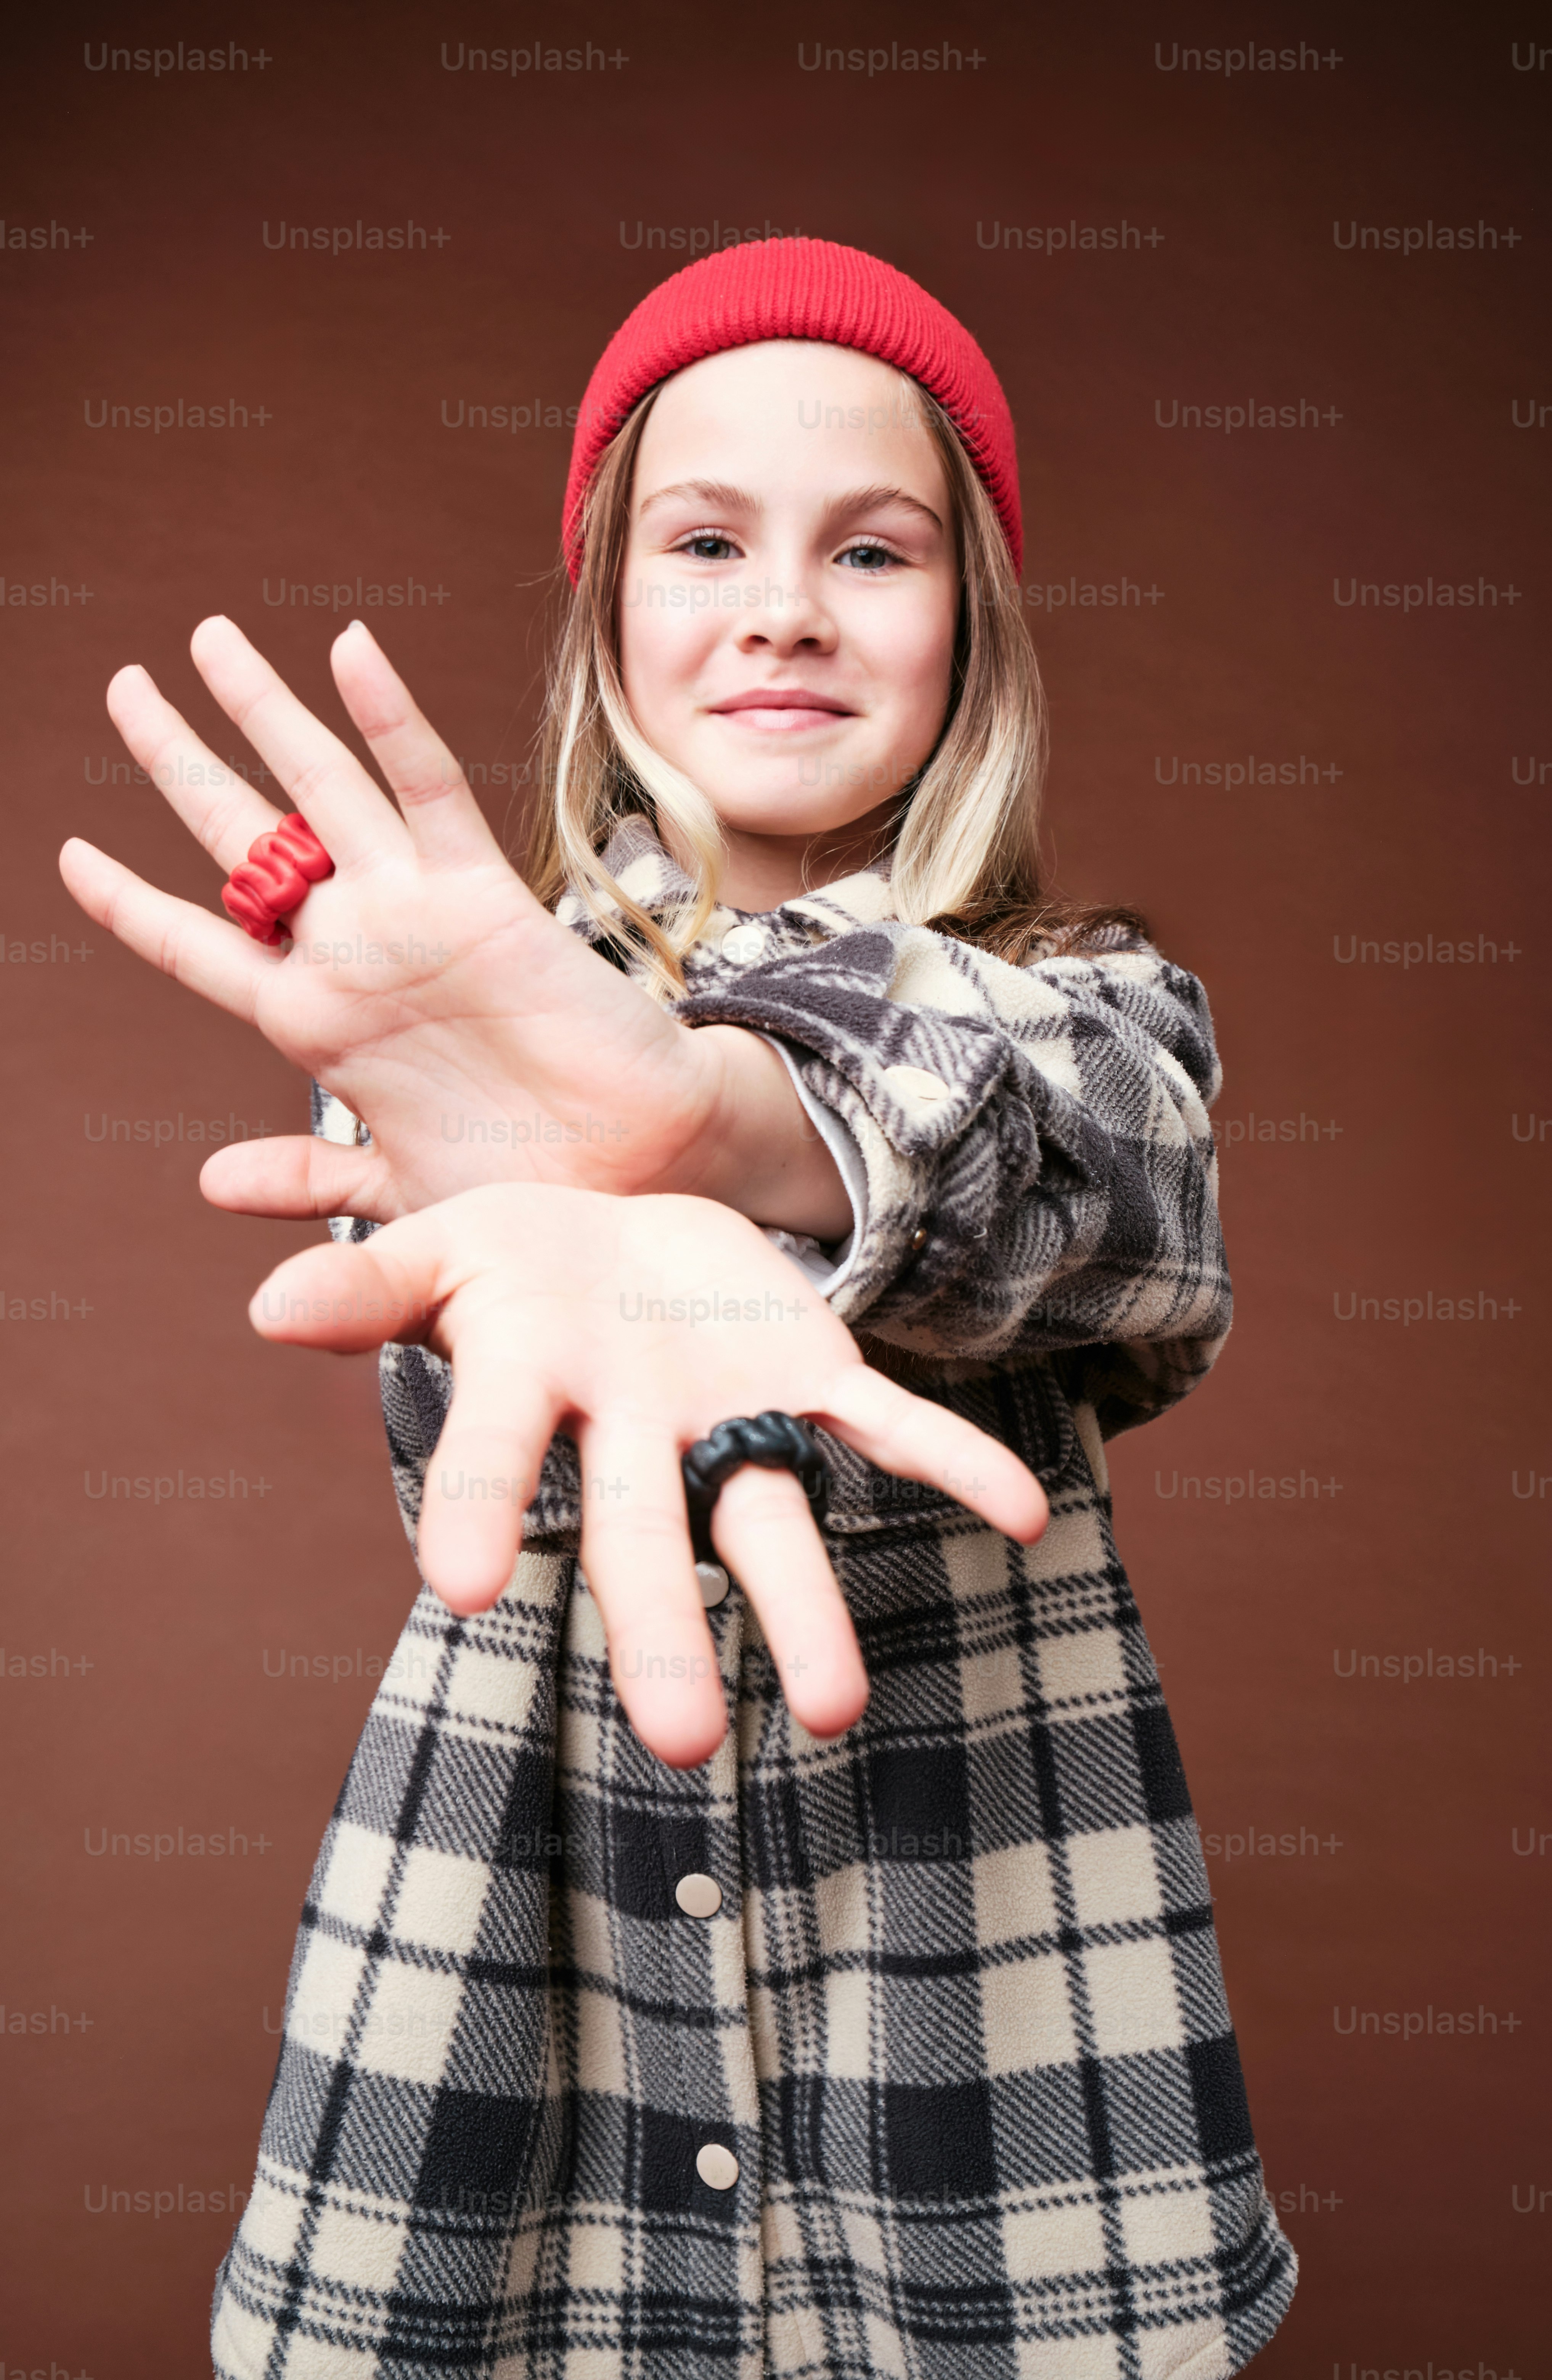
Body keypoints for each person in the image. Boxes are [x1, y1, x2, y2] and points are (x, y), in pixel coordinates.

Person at [61, 238, 1297, 2378]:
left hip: (990, 2025)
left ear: (971, 625)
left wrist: (709, 1125)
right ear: (613, 609)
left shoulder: (1100, 1022)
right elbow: (471, 1431)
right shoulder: (461, 1052)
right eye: (705, 538)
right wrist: (553, 1185)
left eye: (874, 550)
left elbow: (1111, 1190)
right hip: (525, 2003)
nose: (785, 605)